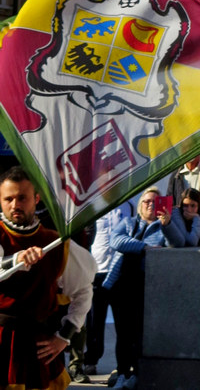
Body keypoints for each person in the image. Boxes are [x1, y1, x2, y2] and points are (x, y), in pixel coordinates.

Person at [0, 167, 95, 390]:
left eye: (22, 198)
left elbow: (83, 290)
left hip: (38, 345)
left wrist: (64, 336)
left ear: (36, 199)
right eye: (8, 199)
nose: (15, 205)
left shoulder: (55, 243)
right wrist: (15, 260)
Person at [105, 188, 174, 389]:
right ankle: (122, 373)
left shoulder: (162, 227)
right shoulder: (128, 223)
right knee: (122, 333)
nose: (150, 205)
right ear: (139, 205)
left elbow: (173, 245)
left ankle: (135, 374)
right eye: (146, 201)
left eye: (155, 202)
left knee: (138, 333)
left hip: (145, 286)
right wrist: (144, 247)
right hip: (121, 284)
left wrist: (168, 225)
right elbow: (115, 240)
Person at [85, 201, 132, 376]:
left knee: (122, 322)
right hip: (97, 270)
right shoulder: (93, 206)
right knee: (95, 320)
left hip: (120, 270)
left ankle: (123, 365)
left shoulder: (129, 205)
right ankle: (91, 360)